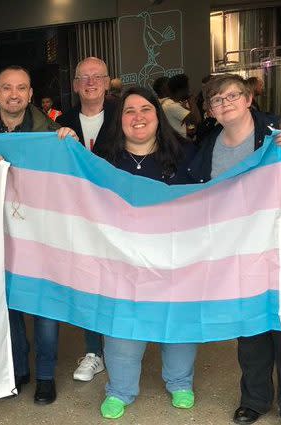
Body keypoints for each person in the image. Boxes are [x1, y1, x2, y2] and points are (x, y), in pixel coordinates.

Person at [188, 73, 281, 425]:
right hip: (238, 255)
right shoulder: (209, 144)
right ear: (210, 110)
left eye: (232, 96)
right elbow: (191, 192)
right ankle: (254, 400)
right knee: (251, 332)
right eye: (217, 100)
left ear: (249, 99)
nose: (225, 104)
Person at [0, 65, 78, 406]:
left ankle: (44, 375)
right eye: (6, 88)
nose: (14, 94)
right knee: (7, 305)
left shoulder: (52, 131)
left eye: (21, 88)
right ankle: (17, 368)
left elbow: (73, 180)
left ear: (30, 94)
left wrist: (70, 146)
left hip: (42, 234)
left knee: (44, 306)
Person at [95, 86, 197, 419]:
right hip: (122, 265)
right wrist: (63, 143)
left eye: (145, 110)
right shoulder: (102, 160)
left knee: (178, 325)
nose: (137, 117)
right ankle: (120, 390)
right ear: (118, 119)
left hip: (175, 261)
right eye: (129, 111)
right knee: (122, 328)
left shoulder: (185, 153)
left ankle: (180, 382)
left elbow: (216, 195)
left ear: (158, 115)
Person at [57, 56, 117, 383]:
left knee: (117, 281)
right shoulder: (60, 123)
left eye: (98, 77)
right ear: (76, 84)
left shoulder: (126, 116)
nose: (91, 83)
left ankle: (121, 347)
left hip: (117, 215)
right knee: (87, 282)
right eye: (84, 78)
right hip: (79, 219)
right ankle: (94, 351)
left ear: (108, 83)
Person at [161, 74, 200, 139]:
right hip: (179, 145)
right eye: (188, 88)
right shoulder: (172, 106)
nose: (189, 91)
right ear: (182, 90)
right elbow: (197, 119)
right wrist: (192, 101)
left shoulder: (169, 104)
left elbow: (191, 127)